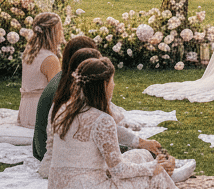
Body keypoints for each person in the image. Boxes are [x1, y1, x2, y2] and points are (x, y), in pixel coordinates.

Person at [48, 57, 206, 189]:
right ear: (104, 85)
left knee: (142, 155)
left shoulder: (63, 110)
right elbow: (118, 171)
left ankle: (170, 182)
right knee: (146, 171)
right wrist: (152, 167)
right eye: (112, 81)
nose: (114, 85)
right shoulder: (102, 119)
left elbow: (106, 131)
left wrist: (140, 143)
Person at [37, 44, 162, 177]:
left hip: (57, 168)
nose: (113, 84)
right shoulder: (77, 107)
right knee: (138, 159)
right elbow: (111, 132)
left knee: (138, 155)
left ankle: (164, 173)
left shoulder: (70, 100)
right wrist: (143, 148)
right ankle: (165, 175)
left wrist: (140, 142)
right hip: (76, 172)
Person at [17, 13, 64, 129]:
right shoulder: (50, 59)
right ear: (52, 32)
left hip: (26, 110)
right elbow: (57, 93)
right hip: (40, 113)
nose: (62, 32)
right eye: (60, 29)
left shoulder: (30, 53)